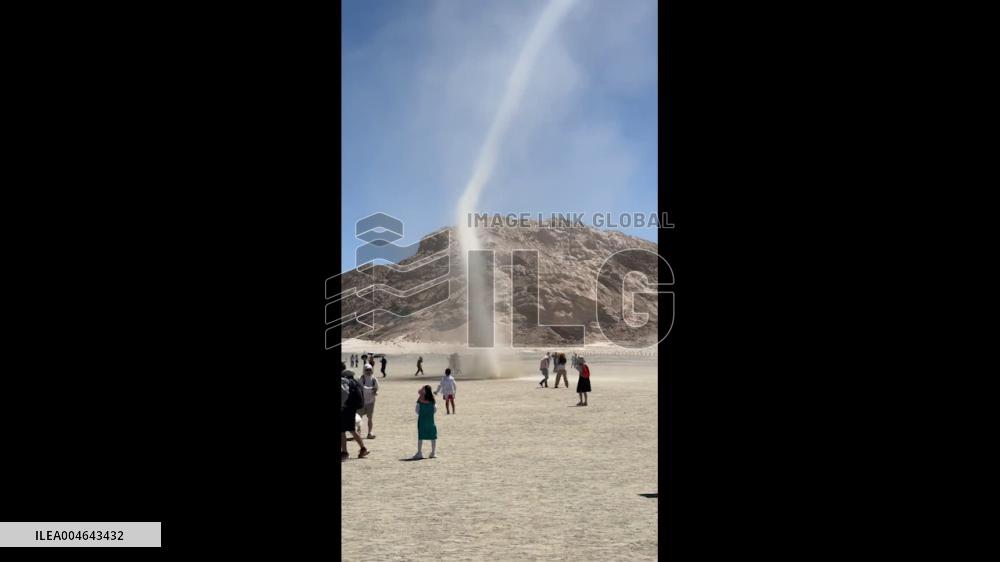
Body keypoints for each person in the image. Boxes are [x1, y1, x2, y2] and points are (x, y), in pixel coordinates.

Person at [340, 362, 369, 459]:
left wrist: (342, 405)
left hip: (344, 408)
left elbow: (343, 395)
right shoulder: (353, 380)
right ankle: (363, 448)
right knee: (352, 429)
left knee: (342, 431)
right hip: (352, 408)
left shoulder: (343, 380)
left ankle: (344, 453)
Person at [412, 385, 438, 459]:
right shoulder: (433, 400)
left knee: (421, 436)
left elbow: (417, 410)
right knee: (433, 436)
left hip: (422, 420)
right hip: (430, 420)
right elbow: (435, 409)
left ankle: (419, 452)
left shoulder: (420, 399)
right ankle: (433, 452)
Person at [358, 363, 379, 439]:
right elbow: (361, 388)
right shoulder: (361, 378)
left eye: (370, 370)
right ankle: (358, 433)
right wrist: (371, 389)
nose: (368, 371)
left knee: (370, 418)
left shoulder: (374, 379)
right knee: (359, 418)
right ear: (364, 370)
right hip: (362, 401)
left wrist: (375, 391)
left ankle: (369, 432)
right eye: (367, 370)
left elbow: (377, 388)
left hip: (371, 401)